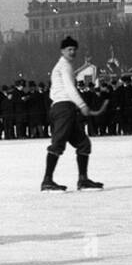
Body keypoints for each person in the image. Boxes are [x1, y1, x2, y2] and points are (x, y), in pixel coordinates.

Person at [42, 37, 102, 191]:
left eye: (74, 49)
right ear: (62, 51)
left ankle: (83, 180)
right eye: (69, 49)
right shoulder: (65, 66)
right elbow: (69, 88)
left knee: (83, 143)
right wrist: (82, 105)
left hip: (62, 108)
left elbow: (53, 92)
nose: (72, 52)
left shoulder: (60, 67)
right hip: (64, 109)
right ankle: (47, 181)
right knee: (58, 144)